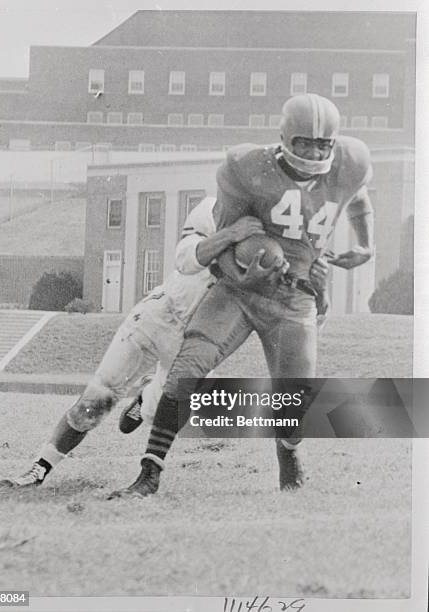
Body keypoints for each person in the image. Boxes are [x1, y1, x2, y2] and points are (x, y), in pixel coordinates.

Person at [110, 93, 374, 499]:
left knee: (293, 406)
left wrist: (367, 243)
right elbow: (222, 250)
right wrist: (243, 274)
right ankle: (149, 472)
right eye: (304, 142)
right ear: (284, 138)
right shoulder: (247, 168)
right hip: (237, 291)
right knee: (187, 368)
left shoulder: (350, 162)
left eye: (323, 144)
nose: (314, 151)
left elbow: (357, 196)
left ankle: (288, 457)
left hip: (294, 298)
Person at [0, 197, 267, 487]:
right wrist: (230, 235)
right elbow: (185, 259)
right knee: (98, 397)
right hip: (160, 315)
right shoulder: (219, 207)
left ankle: (146, 398)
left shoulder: (286, 236)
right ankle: (40, 468)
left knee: (169, 408)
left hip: (197, 341)